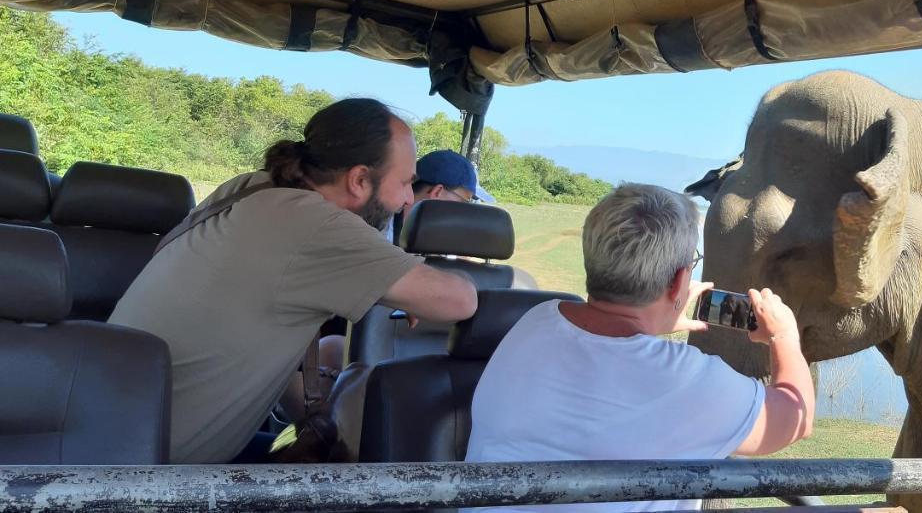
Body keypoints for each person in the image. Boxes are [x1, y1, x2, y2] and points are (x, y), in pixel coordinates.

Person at [109, 98, 478, 464]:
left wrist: (313, 414)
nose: (404, 200)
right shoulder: (317, 226)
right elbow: (460, 301)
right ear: (359, 179)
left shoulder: (250, 188)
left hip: (99, 437)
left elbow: (256, 341)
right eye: (404, 183)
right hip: (151, 483)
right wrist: (404, 286)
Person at [464, 183, 814, 512]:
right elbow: (794, 419)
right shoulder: (686, 382)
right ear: (679, 281)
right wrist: (783, 335)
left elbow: (607, 358)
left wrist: (656, 322)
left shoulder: (534, 321)